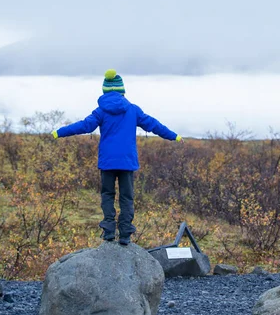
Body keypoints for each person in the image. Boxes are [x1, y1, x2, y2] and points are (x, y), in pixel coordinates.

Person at [52, 69, 182, 245]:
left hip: (107, 162)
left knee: (107, 194)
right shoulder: (133, 110)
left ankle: (108, 233)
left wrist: (59, 132)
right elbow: (154, 125)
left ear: (104, 91)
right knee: (126, 197)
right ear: (122, 91)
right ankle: (125, 235)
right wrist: (173, 136)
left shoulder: (100, 111)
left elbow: (84, 126)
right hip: (127, 161)